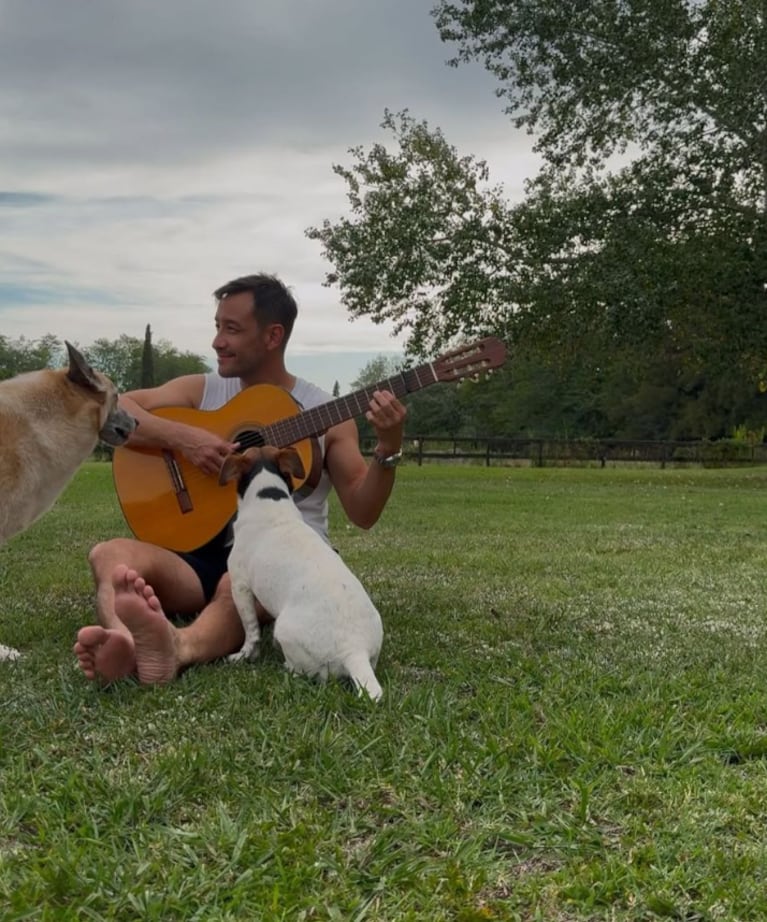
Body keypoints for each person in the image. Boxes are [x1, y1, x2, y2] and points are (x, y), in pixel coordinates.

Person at [74, 273, 406, 686]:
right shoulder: (204, 390)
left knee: (237, 584)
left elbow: (363, 510)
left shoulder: (327, 412)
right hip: (196, 551)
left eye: (231, 329)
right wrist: (185, 438)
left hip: (282, 561)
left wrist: (388, 447)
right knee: (109, 555)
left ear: (272, 336)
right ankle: (121, 643)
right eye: (217, 326)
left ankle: (177, 648)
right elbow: (116, 408)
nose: (217, 341)